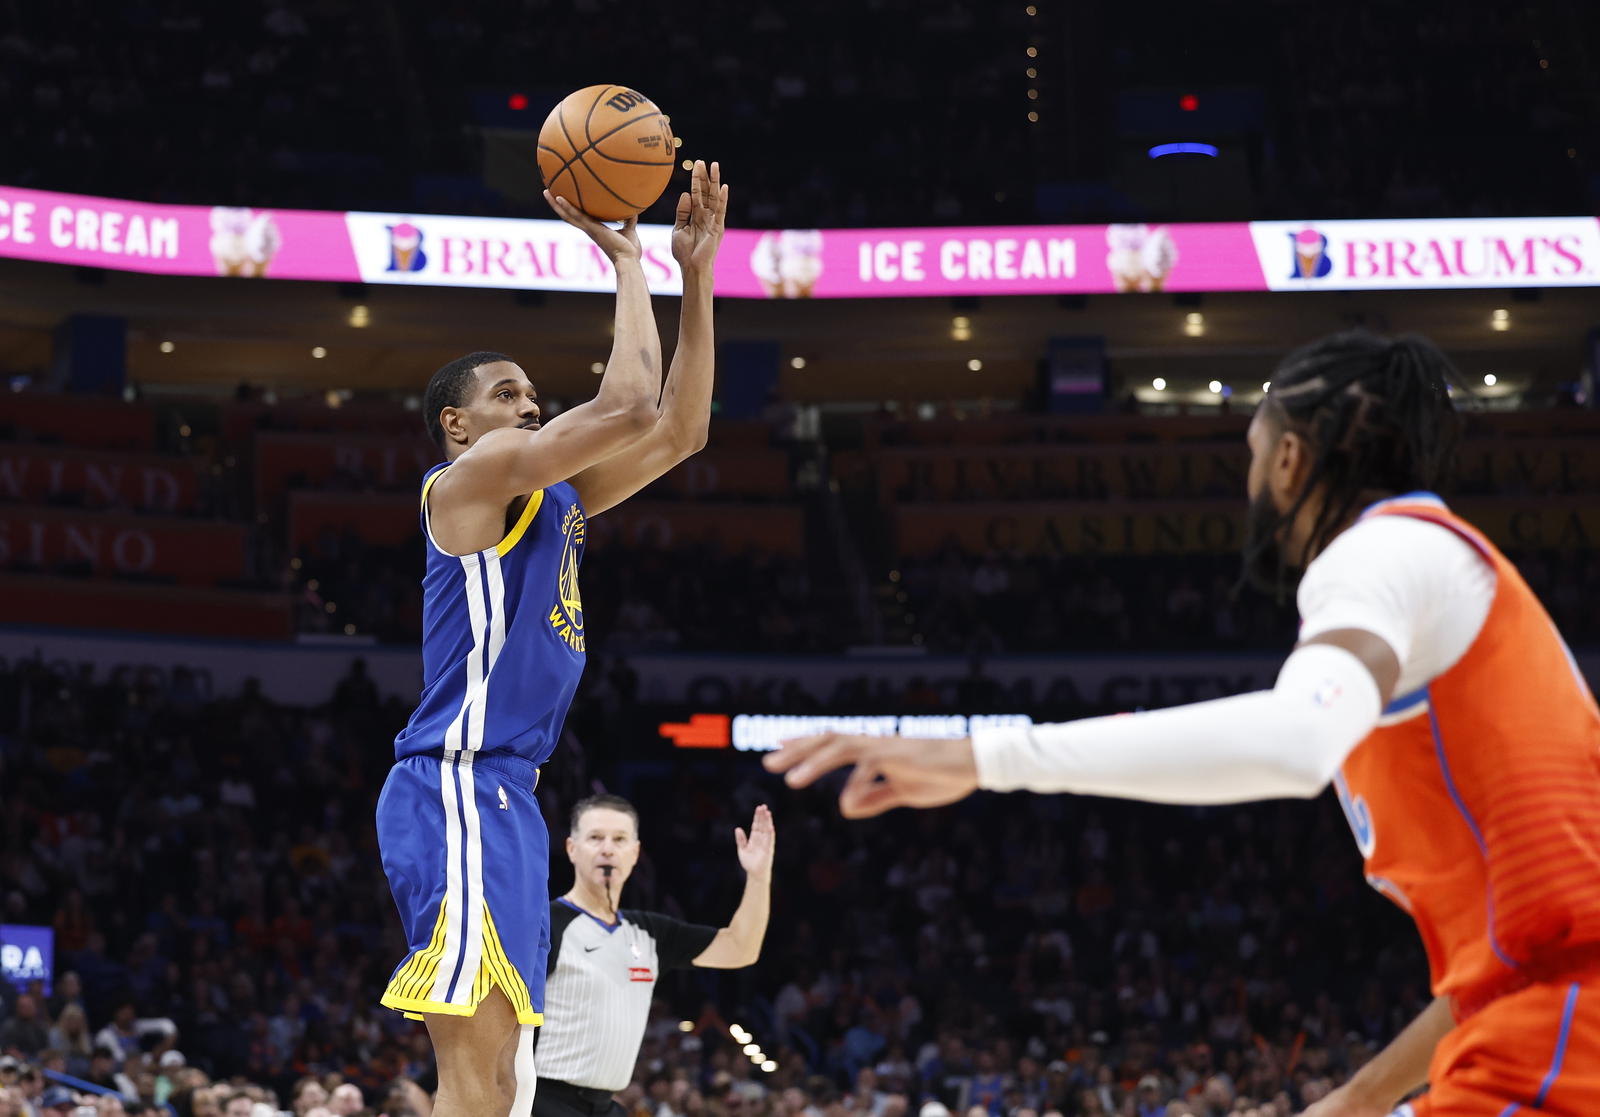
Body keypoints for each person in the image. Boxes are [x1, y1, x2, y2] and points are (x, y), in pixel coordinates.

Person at [766, 331, 1600, 1117]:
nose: (1249, 487)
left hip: (1563, 1032)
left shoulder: (1384, 550)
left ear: (1288, 457)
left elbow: (1294, 742)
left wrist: (986, 757)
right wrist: (1358, 1098)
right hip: (1545, 1022)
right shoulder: (1443, 577)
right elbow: (1497, 974)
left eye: (1249, 456)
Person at [375, 159, 729, 1117]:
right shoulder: (467, 486)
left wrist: (694, 275)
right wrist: (625, 260)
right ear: (457, 423)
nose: (528, 404)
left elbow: (678, 430)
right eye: (506, 393)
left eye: (533, 394)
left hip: (511, 796)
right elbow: (621, 408)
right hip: (453, 777)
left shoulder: (557, 496)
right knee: (472, 1075)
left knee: (502, 1077)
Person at [533, 794, 774, 1117]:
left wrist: (758, 877)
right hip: (541, 1102)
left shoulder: (649, 932)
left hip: (606, 1105)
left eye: (619, 839)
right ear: (571, 849)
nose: (607, 848)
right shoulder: (546, 924)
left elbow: (740, 948)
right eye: (595, 838)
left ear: (634, 854)